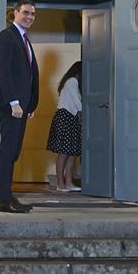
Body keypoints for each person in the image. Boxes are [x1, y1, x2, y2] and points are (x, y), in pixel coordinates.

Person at [0, 0, 39, 213]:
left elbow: (29, 74)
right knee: (9, 150)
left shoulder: (24, 39)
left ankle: (8, 194)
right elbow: (4, 73)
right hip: (12, 105)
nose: (29, 17)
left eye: (32, 14)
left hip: (22, 106)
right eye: (26, 12)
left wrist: (31, 104)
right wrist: (14, 102)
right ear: (16, 13)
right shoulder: (7, 36)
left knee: (14, 152)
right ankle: (3, 201)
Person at [47, 60, 83, 192]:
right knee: (64, 152)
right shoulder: (72, 81)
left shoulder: (72, 82)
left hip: (71, 118)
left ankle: (68, 182)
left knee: (73, 152)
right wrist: (84, 114)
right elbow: (77, 102)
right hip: (66, 117)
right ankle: (60, 183)